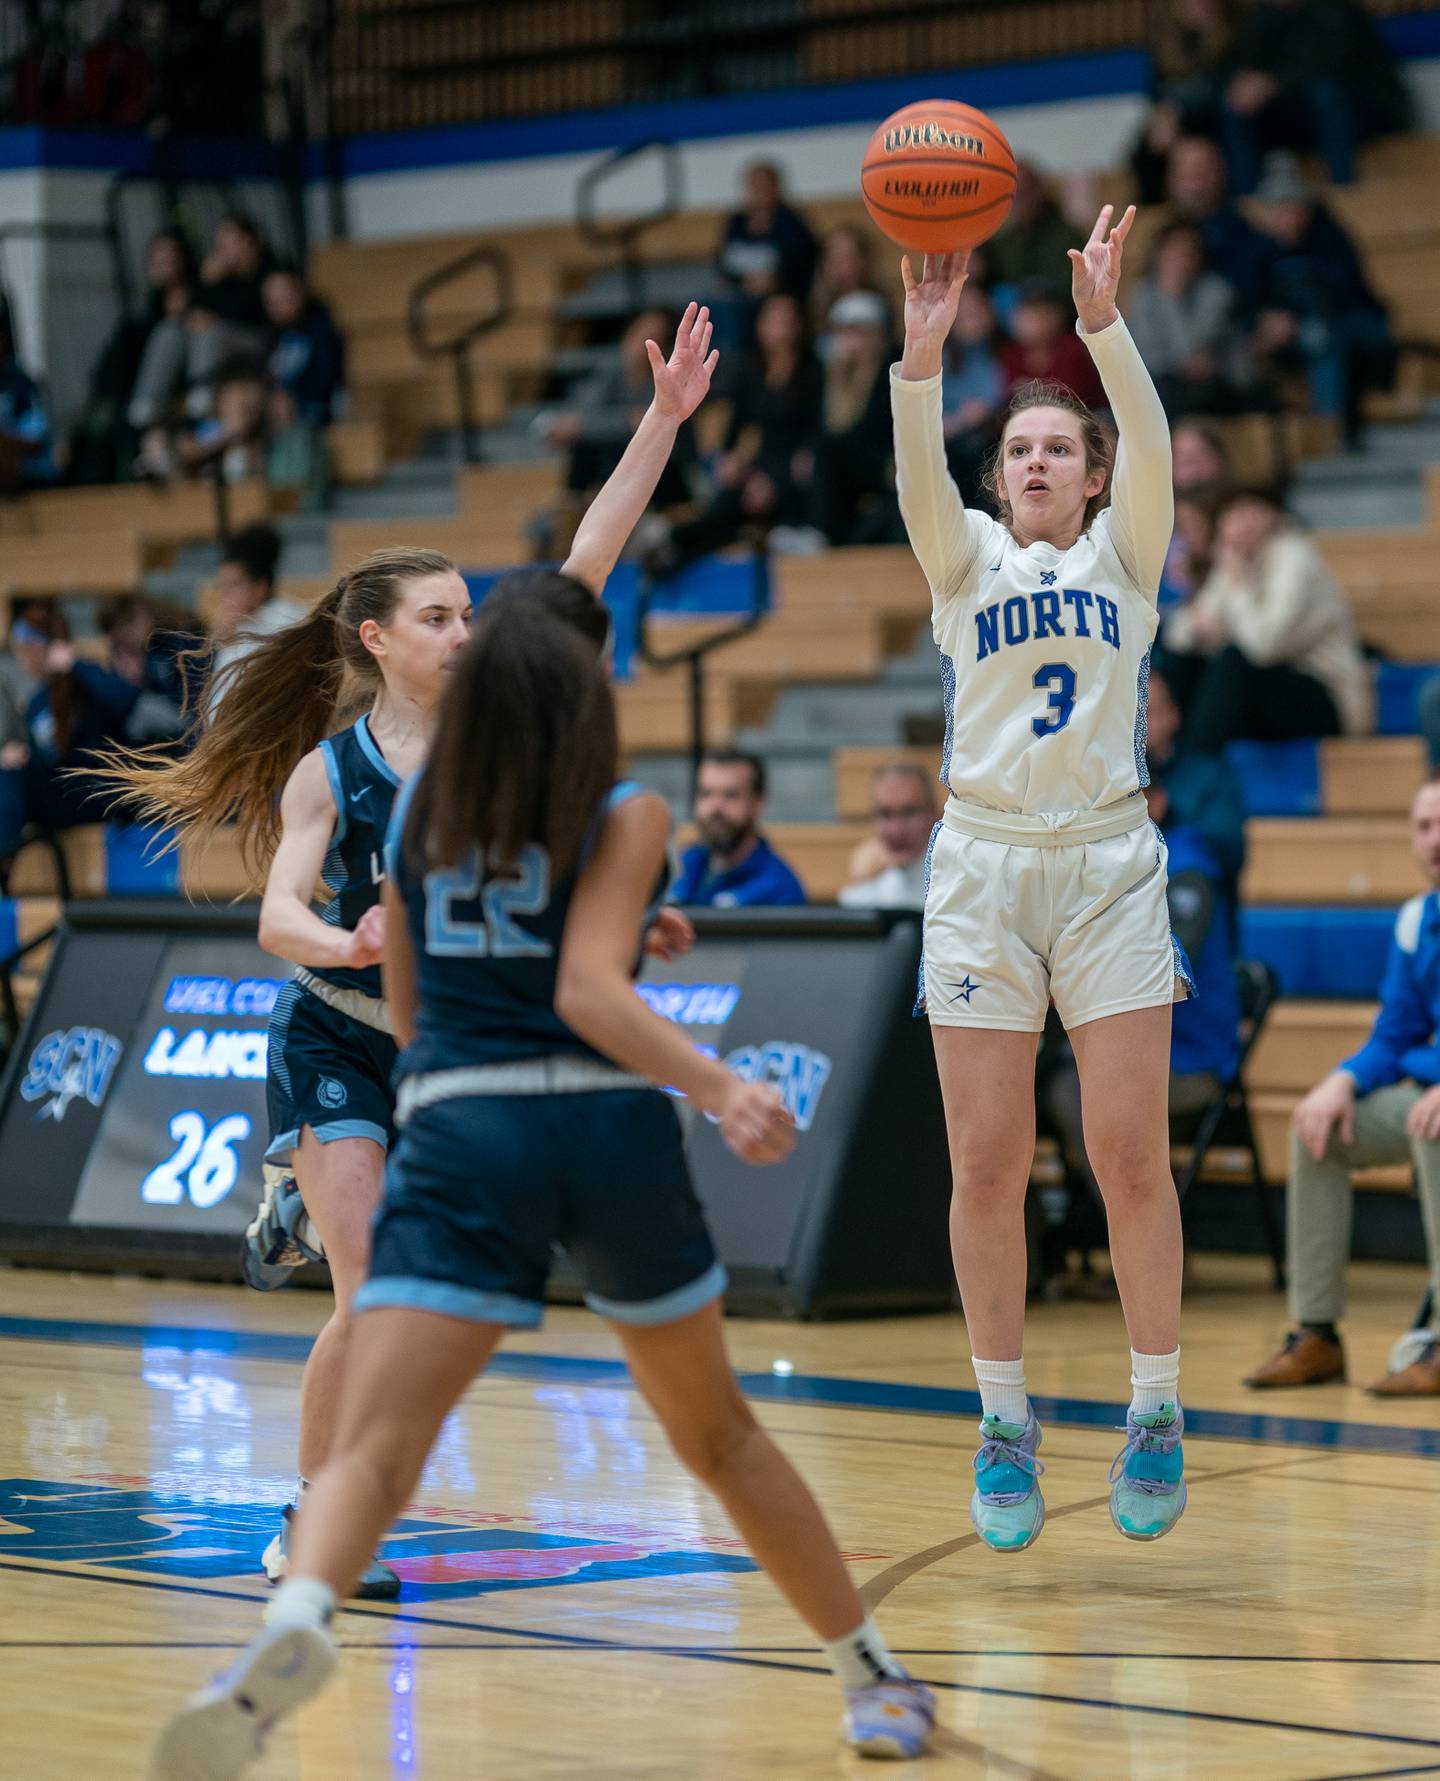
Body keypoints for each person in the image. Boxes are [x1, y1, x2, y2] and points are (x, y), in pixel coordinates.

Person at [150, 577, 937, 1781]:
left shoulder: (413, 822)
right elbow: (584, 992)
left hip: (463, 1129)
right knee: (718, 1435)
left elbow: (407, 997)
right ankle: (870, 1675)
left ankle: (297, 1627)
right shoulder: (621, 810)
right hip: (603, 1136)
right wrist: (721, 1085)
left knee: (378, 1448)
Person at [96, 304, 724, 1608]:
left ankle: (298, 1216)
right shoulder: (336, 768)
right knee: (371, 1296)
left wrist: (662, 420)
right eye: (438, 615)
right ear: (378, 638)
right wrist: (354, 932)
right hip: (336, 1030)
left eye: (466, 612)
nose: (466, 627)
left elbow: (589, 554)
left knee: (401, 1302)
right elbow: (275, 915)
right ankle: (313, 1522)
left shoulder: (506, 703)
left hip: (446, 1051)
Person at [892, 206, 1188, 1552]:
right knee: (987, 1158)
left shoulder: (1131, 552)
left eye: (1057, 447)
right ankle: (1004, 1418)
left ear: (1092, 472)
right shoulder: (961, 557)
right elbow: (914, 469)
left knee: (1129, 1152)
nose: (1033, 461)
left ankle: (1156, 1405)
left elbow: (1163, 444)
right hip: (985, 867)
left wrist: (1102, 328)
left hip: (1111, 861)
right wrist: (921, 359)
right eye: (1017, 447)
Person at [1245, 776, 1440, 1396]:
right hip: (1428, 1086)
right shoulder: (1416, 920)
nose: (1432, 840)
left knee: (1433, 1127)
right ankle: (1318, 1333)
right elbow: (1395, 1033)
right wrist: (1342, 1080)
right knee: (1318, 1130)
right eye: (1422, 826)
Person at [1041, 767, 1241, 1239]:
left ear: (1157, 800)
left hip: (1190, 1058)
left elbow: (1159, 961)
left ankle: (1146, 1246)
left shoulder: (1187, 864)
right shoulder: (1099, 863)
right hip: (1118, 1042)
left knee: (1074, 1094)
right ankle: (1052, 1246)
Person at [1160, 486, 1371, 751]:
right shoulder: (1236, 559)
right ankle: (1165, 752)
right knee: (1183, 661)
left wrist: (1236, 589)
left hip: (1325, 697)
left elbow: (1263, 647)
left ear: (1274, 516)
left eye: (1253, 512)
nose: (1244, 523)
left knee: (1232, 661)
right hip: (1268, 692)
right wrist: (1203, 624)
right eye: (1235, 513)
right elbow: (1178, 637)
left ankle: (1194, 761)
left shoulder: (1294, 557)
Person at [653, 291, 822, 571]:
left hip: (792, 465)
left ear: (798, 325)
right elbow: (737, 429)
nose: (779, 326)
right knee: (727, 503)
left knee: (748, 504)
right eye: (773, 319)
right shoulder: (749, 371)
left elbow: (815, 429)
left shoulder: (812, 370)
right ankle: (675, 549)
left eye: (786, 319)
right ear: (760, 325)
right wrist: (729, 460)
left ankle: (679, 544)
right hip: (755, 465)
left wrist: (769, 477)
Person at [1250, 152, 1393, 445]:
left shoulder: (1331, 238)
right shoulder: (1264, 249)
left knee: (1320, 334)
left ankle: (1328, 426)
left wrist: (1295, 320)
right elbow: (1253, 297)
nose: (1281, 217)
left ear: (1304, 207)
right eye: (1274, 210)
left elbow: (1343, 293)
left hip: (1357, 322)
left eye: (1288, 208)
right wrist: (1266, 321)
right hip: (1298, 330)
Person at [1219, 0, 1410, 191]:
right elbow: (1243, 62)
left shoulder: (1337, 9)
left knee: (1325, 92)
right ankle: (1246, 197)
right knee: (1236, 102)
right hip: (1306, 116)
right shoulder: (1263, 19)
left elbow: (1335, 63)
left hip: (1366, 110)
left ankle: (1343, 185)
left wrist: (1273, 83)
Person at [1123, 219, 1255, 418]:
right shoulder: (1143, 295)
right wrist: (1171, 296)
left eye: (1188, 253)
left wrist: (1172, 296)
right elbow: (1145, 357)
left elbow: (1195, 347)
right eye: (1174, 252)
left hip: (1218, 381)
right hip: (1167, 383)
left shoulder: (1216, 291)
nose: (1181, 260)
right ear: (1157, 255)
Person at [1143, 662, 1246, 891]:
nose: (1137, 725)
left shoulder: (1209, 775)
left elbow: (1230, 850)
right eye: (1129, 713)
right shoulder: (1107, 778)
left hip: (1190, 907)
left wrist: (1169, 814)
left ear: (1173, 715)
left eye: (1148, 713)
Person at [810, 290, 899, 547]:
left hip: (885, 457)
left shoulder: (893, 368)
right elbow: (828, 424)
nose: (853, 340)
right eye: (847, 332)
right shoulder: (830, 372)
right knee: (820, 456)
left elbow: (878, 425)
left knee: (829, 454)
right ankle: (822, 535)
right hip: (849, 458)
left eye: (861, 332)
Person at [671, 750, 806, 908]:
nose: (715, 807)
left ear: (758, 803)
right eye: (706, 794)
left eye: (730, 795)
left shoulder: (780, 889)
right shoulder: (682, 864)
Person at [1167, 136, 1276, 321]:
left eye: (1201, 170)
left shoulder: (1247, 238)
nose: (1194, 181)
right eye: (1184, 172)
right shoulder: (1163, 239)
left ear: (1221, 172)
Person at [206, 525, 310, 713]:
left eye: (234, 585)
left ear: (260, 587)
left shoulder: (289, 621)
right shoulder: (240, 625)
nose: (225, 595)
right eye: (222, 586)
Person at [714, 161, 818, 349]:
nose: (759, 192)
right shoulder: (736, 222)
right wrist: (743, 282)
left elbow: (803, 265)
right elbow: (722, 263)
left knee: (739, 313)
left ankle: (737, 356)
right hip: (740, 292)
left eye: (764, 186)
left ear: (777, 188)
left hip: (782, 295)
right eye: (754, 186)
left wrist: (775, 281)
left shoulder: (792, 224)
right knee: (707, 305)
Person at [839, 762, 939, 909]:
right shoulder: (867, 885)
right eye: (885, 814)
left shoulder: (955, 873)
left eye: (910, 812)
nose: (896, 830)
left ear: (934, 813)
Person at [940, 285, 1005, 508]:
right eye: (965, 312)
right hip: (952, 448)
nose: (973, 318)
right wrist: (963, 420)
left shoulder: (1003, 351)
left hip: (993, 440)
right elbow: (929, 422)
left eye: (978, 310)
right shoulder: (942, 356)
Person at [985, 163, 1081, 311]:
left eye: (1023, 193)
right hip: (1010, 316)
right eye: (1010, 196)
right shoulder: (1000, 241)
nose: (1017, 202)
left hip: (1057, 314)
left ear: (1039, 192)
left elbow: (1069, 290)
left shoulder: (1067, 237)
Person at [998, 282, 1105, 410]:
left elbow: (1084, 395)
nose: (1031, 324)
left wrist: (1039, 390)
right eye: (1026, 315)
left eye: (1040, 315)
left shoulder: (1075, 348)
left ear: (1057, 316)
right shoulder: (1009, 355)